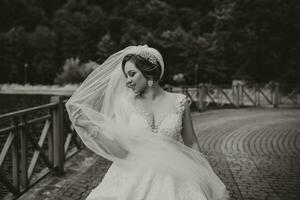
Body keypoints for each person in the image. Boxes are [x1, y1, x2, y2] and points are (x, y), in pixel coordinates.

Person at [66, 45, 229, 200]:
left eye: (131, 74)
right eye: (126, 76)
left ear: (148, 72)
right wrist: (90, 127)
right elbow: (121, 152)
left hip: (176, 174)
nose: (127, 81)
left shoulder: (180, 102)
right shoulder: (126, 105)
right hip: (132, 176)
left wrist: (201, 173)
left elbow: (191, 142)